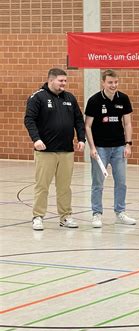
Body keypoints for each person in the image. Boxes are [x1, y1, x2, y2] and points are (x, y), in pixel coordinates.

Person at [24, 68, 86, 230]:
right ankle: (38, 216)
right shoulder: (37, 97)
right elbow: (29, 120)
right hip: (46, 152)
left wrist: (81, 139)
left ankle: (65, 216)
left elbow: (79, 120)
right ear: (50, 80)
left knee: (65, 186)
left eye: (65, 81)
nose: (64, 84)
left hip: (66, 151)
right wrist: (36, 139)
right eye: (60, 81)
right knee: (42, 185)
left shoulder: (70, 98)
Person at [84, 69, 136, 228]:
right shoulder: (94, 100)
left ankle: (120, 212)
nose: (113, 85)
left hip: (119, 148)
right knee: (98, 182)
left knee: (121, 182)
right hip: (100, 148)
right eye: (110, 83)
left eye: (115, 82)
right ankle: (97, 214)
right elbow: (87, 126)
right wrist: (92, 148)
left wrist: (128, 144)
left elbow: (127, 123)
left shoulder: (124, 99)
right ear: (103, 82)